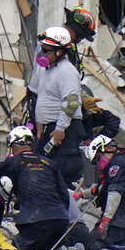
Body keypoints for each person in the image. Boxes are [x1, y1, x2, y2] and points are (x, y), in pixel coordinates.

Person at [0, 125, 69, 250]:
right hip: (60, 219)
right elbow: (64, 195)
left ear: (14, 147)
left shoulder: (15, 162)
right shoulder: (50, 163)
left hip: (35, 221)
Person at [32, 27, 86, 188]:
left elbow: (71, 102)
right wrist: (39, 122)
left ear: (59, 52)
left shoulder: (67, 72)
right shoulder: (45, 69)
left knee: (63, 173)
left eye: (47, 51)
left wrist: (60, 128)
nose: (42, 54)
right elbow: (40, 95)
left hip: (65, 130)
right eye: (42, 49)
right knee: (39, 169)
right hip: (49, 129)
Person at [63, 6, 97, 78]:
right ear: (76, 30)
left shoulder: (69, 49)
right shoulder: (57, 50)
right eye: (81, 36)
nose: (80, 39)